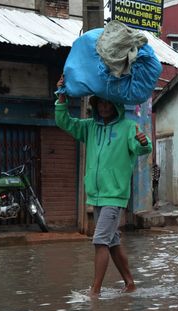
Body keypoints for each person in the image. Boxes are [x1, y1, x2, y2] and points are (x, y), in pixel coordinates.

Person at [55, 76, 152, 296]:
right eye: (101, 102)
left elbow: (141, 148)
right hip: (96, 195)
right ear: (95, 104)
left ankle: (95, 291)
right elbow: (64, 122)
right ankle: (130, 283)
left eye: (109, 103)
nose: (105, 107)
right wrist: (61, 95)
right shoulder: (89, 127)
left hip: (114, 195)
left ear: (115, 105)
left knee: (100, 241)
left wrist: (144, 142)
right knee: (112, 242)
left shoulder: (128, 127)